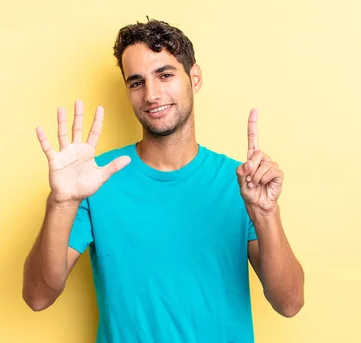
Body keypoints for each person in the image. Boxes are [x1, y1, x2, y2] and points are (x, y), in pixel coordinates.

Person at [22, 18, 304, 342]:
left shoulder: (243, 183)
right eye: (136, 82)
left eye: (165, 75)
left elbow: (289, 303)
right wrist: (61, 202)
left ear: (194, 78)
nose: (152, 95)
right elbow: (38, 296)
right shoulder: (93, 178)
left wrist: (266, 214)